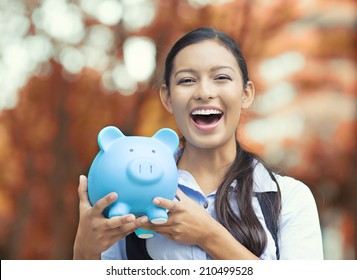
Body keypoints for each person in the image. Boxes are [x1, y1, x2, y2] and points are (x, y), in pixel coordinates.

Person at [73, 26, 324, 260]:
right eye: (187, 80)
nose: (204, 92)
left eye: (221, 77)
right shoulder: (125, 190)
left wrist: (209, 236)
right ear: (167, 98)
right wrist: (83, 252)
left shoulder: (288, 198)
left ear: (246, 94)